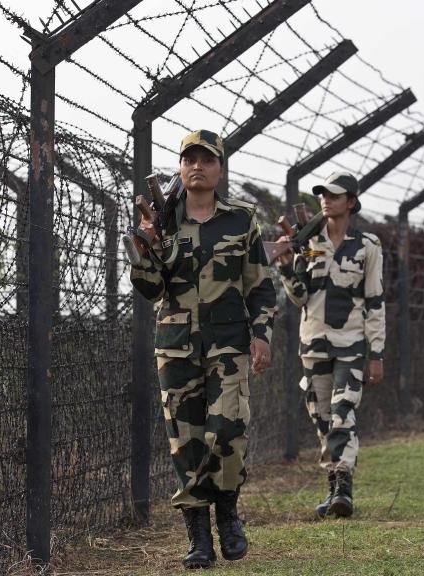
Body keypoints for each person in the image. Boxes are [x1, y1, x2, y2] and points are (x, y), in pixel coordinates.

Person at [130, 129, 276, 569]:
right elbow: (150, 289)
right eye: (189, 159)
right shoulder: (162, 220)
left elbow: (260, 286)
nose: (197, 166)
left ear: (219, 169)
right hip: (176, 346)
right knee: (186, 442)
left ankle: (227, 512)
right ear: (179, 167)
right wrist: (148, 246)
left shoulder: (241, 220)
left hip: (229, 343)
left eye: (206, 160)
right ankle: (198, 535)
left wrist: (262, 333)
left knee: (228, 429)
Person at [275, 171, 385, 518]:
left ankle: (344, 488)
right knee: (322, 418)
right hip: (313, 344)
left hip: (351, 344)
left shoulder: (367, 246)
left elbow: (375, 301)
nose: (326, 199)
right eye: (323, 194)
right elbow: (300, 297)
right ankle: (335, 486)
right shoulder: (309, 243)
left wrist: (376, 353)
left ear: (350, 202)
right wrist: (285, 268)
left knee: (342, 411)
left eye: (335, 195)